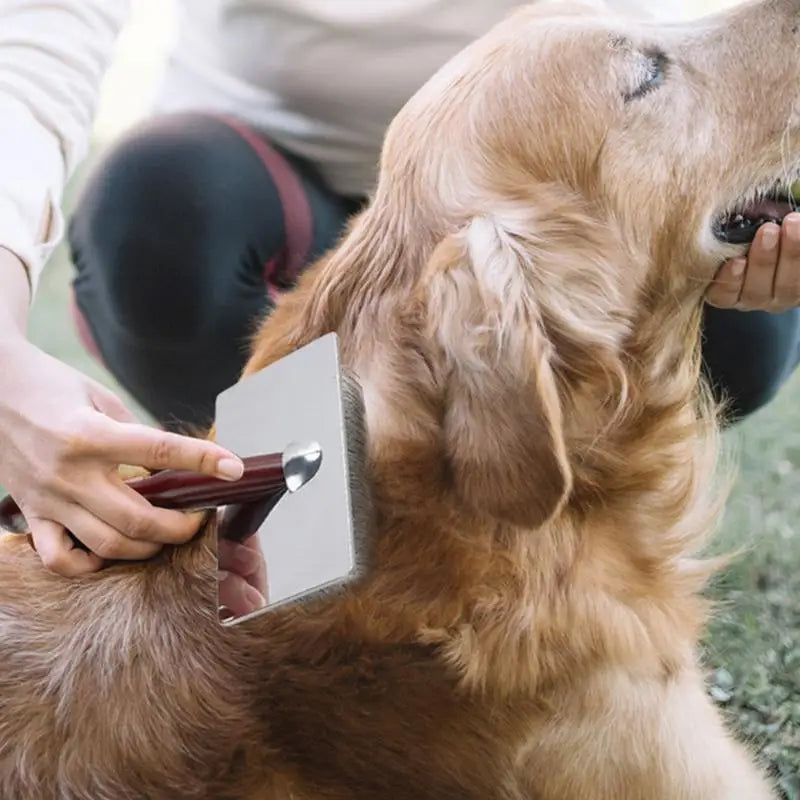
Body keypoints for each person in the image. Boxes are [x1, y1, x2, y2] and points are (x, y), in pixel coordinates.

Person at [1, 0, 799, 590]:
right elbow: (34, 47)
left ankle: (571, 560)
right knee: (163, 209)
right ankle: (288, 536)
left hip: (583, 181)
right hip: (263, 195)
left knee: (742, 344)